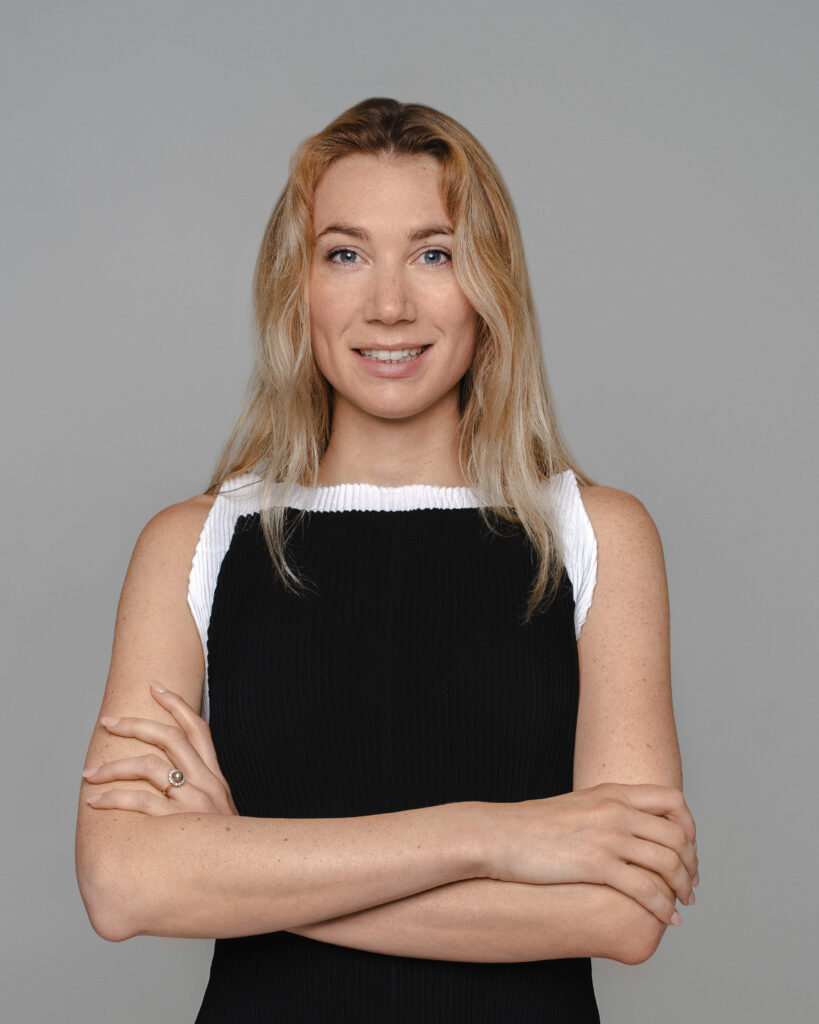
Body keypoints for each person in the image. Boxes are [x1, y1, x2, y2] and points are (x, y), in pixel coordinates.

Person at [75, 97, 698, 1022]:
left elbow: (622, 910)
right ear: (296, 285)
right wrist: (491, 837)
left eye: (434, 254)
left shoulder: (597, 533)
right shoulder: (193, 543)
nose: (390, 305)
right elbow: (124, 883)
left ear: (489, 283)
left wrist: (238, 861)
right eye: (345, 254)